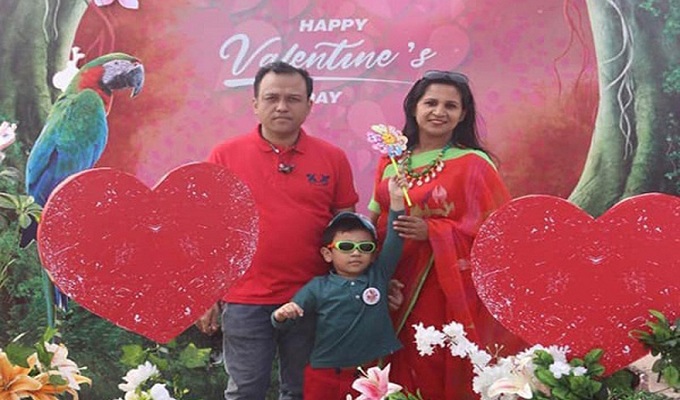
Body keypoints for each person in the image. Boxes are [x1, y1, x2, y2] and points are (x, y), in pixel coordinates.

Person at [199, 61, 359, 400]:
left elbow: (348, 231)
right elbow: (209, 231)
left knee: (304, 392)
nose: (282, 106)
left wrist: (347, 290)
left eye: (293, 99)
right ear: (255, 104)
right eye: (272, 98)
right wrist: (206, 295)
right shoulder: (224, 155)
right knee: (245, 391)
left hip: (312, 298)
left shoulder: (333, 158)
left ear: (309, 105)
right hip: (244, 299)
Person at [368, 70, 527, 400]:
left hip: (443, 289)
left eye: (450, 106)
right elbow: (374, 219)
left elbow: (496, 234)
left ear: (463, 114)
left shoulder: (474, 164)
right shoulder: (391, 160)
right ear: (414, 107)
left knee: (431, 359)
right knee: (389, 368)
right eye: (431, 103)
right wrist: (374, 277)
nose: (439, 112)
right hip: (391, 281)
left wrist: (433, 231)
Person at [272, 176, 406, 400]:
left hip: (371, 375)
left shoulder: (378, 275)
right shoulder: (317, 287)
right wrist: (281, 315)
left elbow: (395, 240)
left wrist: (397, 200)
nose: (356, 253)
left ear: (374, 254)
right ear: (327, 253)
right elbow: (285, 322)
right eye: (346, 246)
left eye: (365, 247)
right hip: (324, 374)